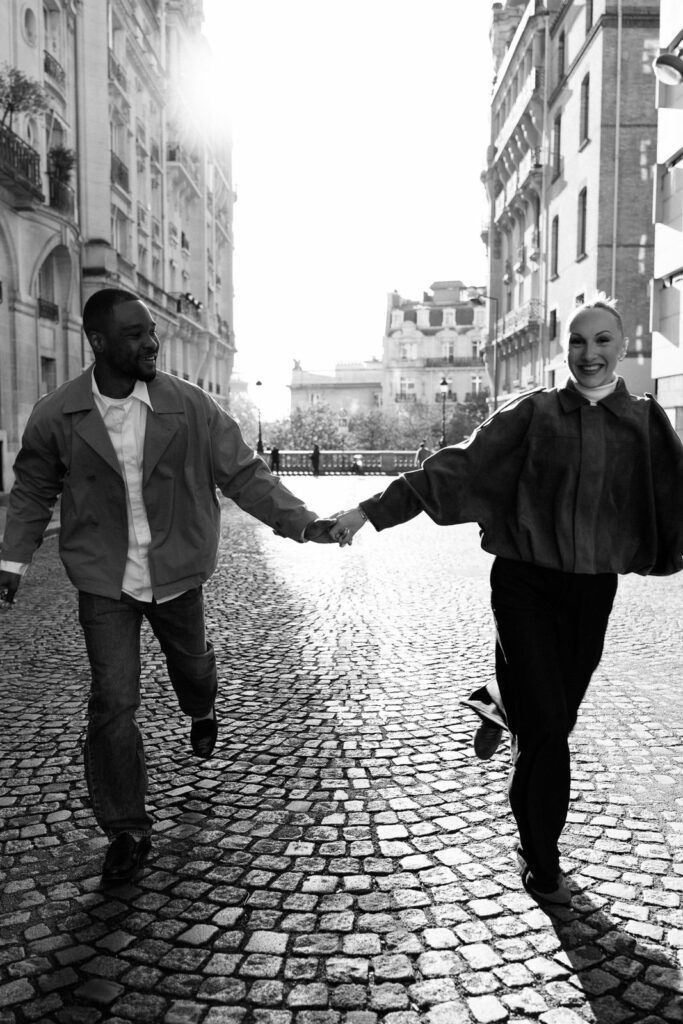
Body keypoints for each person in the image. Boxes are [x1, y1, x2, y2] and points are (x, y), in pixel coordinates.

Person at [329, 296, 683, 906]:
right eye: (577, 341)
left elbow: (678, 496)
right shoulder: (534, 412)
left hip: (591, 588)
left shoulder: (645, 422)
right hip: (522, 583)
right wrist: (370, 510)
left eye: (602, 341)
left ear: (622, 348)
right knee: (547, 726)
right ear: (563, 349)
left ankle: (498, 697)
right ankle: (541, 855)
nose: (589, 354)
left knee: (555, 712)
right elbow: (458, 469)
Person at [0, 288, 336, 886]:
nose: (151, 342)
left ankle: (201, 706)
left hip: (178, 570)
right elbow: (31, 489)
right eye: (134, 334)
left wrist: (302, 521)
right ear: (98, 343)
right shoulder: (58, 414)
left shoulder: (191, 405)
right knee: (112, 703)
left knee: (192, 667)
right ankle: (127, 828)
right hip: (105, 578)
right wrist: (13, 561)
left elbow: (243, 473)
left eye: (151, 330)